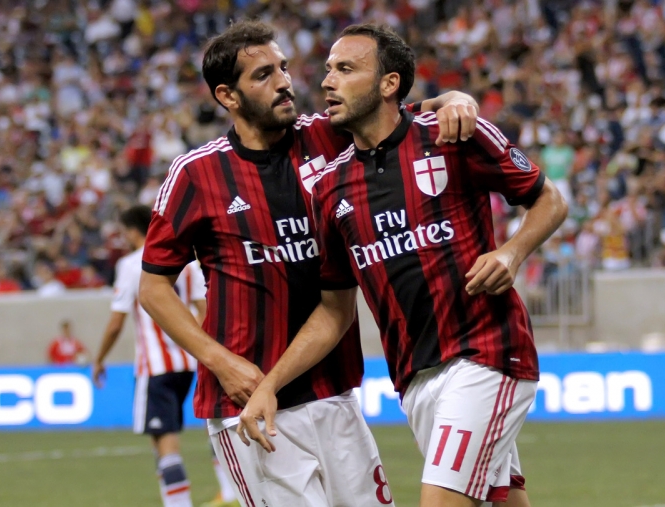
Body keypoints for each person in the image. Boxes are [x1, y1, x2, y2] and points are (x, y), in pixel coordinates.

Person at [138, 20, 479, 507]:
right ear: (227, 96)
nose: (284, 82)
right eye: (263, 75)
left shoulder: (330, 136)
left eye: (282, 67)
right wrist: (221, 363)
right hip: (249, 406)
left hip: (333, 392)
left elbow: (403, 115)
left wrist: (455, 100)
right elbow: (153, 289)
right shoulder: (195, 174)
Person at [237, 24, 568, 507]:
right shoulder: (329, 188)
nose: (328, 81)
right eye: (328, 70)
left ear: (389, 83)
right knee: (502, 500)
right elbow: (334, 310)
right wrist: (269, 385)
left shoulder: (454, 134)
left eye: (345, 69)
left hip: (486, 355)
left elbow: (548, 200)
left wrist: (511, 252)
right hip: (415, 377)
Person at [92, 205, 236, 507]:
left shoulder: (132, 264)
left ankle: (178, 504)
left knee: (165, 439)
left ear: (132, 231)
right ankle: (230, 491)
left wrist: (99, 358)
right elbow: (204, 310)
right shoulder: (187, 263)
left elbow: (117, 321)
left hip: (156, 366)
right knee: (214, 423)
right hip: (192, 361)